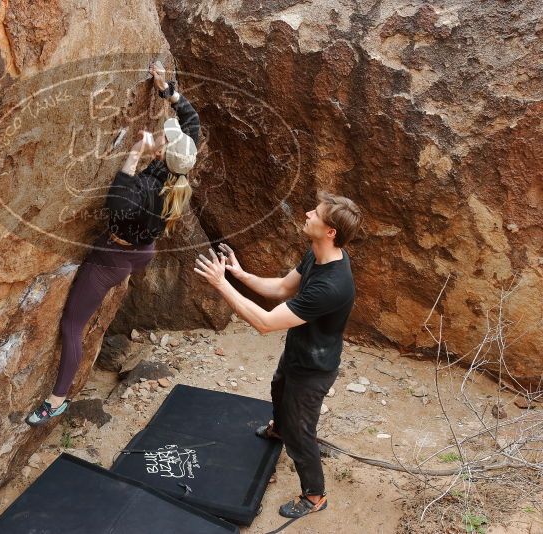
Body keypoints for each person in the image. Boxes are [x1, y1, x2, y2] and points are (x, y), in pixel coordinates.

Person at [26, 62, 201, 425]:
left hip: (112, 258)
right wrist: (166, 89)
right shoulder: (178, 169)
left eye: (165, 139)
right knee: (90, 306)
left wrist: (136, 152)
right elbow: (191, 120)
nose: (163, 134)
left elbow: (116, 203)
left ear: (162, 154)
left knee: (72, 326)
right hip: (141, 254)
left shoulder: (147, 187)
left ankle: (57, 399)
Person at [193, 192, 363, 519]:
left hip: (314, 370)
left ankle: (314, 495)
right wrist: (240, 275)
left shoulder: (332, 285)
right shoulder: (318, 254)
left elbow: (265, 323)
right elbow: (283, 288)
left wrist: (221, 284)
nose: (308, 213)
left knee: (301, 435)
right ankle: (280, 429)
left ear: (330, 232)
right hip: (299, 352)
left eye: (316, 213)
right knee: (278, 389)